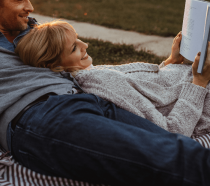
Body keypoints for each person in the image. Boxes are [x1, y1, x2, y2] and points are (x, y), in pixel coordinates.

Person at [0, 0, 210, 186]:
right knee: (171, 159)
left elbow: (86, 70)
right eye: (20, 0)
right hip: (41, 114)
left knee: (177, 144)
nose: (30, 7)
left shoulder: (34, 31)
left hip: (89, 99)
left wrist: (169, 63)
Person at [15, 20, 210, 138]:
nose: (85, 45)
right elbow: (171, 131)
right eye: (74, 47)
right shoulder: (98, 81)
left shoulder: (91, 73)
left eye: (78, 38)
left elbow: (147, 89)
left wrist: (171, 61)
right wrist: (199, 82)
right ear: (56, 66)